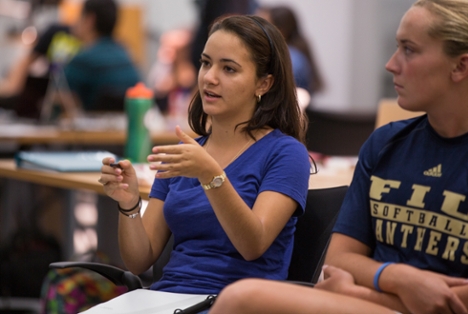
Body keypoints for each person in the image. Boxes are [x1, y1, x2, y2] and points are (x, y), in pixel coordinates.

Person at [207, 0, 468, 313]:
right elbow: (339, 259)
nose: (391, 64)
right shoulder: (386, 143)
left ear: (460, 66)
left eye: (409, 49)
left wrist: (360, 292)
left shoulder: (284, 151)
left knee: (242, 298)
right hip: (371, 301)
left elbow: (453, 303)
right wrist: (397, 277)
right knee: (240, 297)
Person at [98, 12, 310, 299]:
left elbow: (253, 244)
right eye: (206, 63)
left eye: (229, 69)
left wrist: (211, 175)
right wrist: (129, 204)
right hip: (167, 299)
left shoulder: (285, 153)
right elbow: (139, 260)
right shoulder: (187, 154)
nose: (209, 78)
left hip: (238, 303)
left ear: (264, 84)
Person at [0, 0, 140, 118]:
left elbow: (56, 100)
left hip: (88, 142)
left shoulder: (83, 60)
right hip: (121, 138)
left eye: (80, 16)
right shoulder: (127, 56)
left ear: (90, 20)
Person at [257, 5, 324, 96]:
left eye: (262, 27)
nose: (256, 31)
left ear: (280, 31)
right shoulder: (294, 54)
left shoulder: (291, 59)